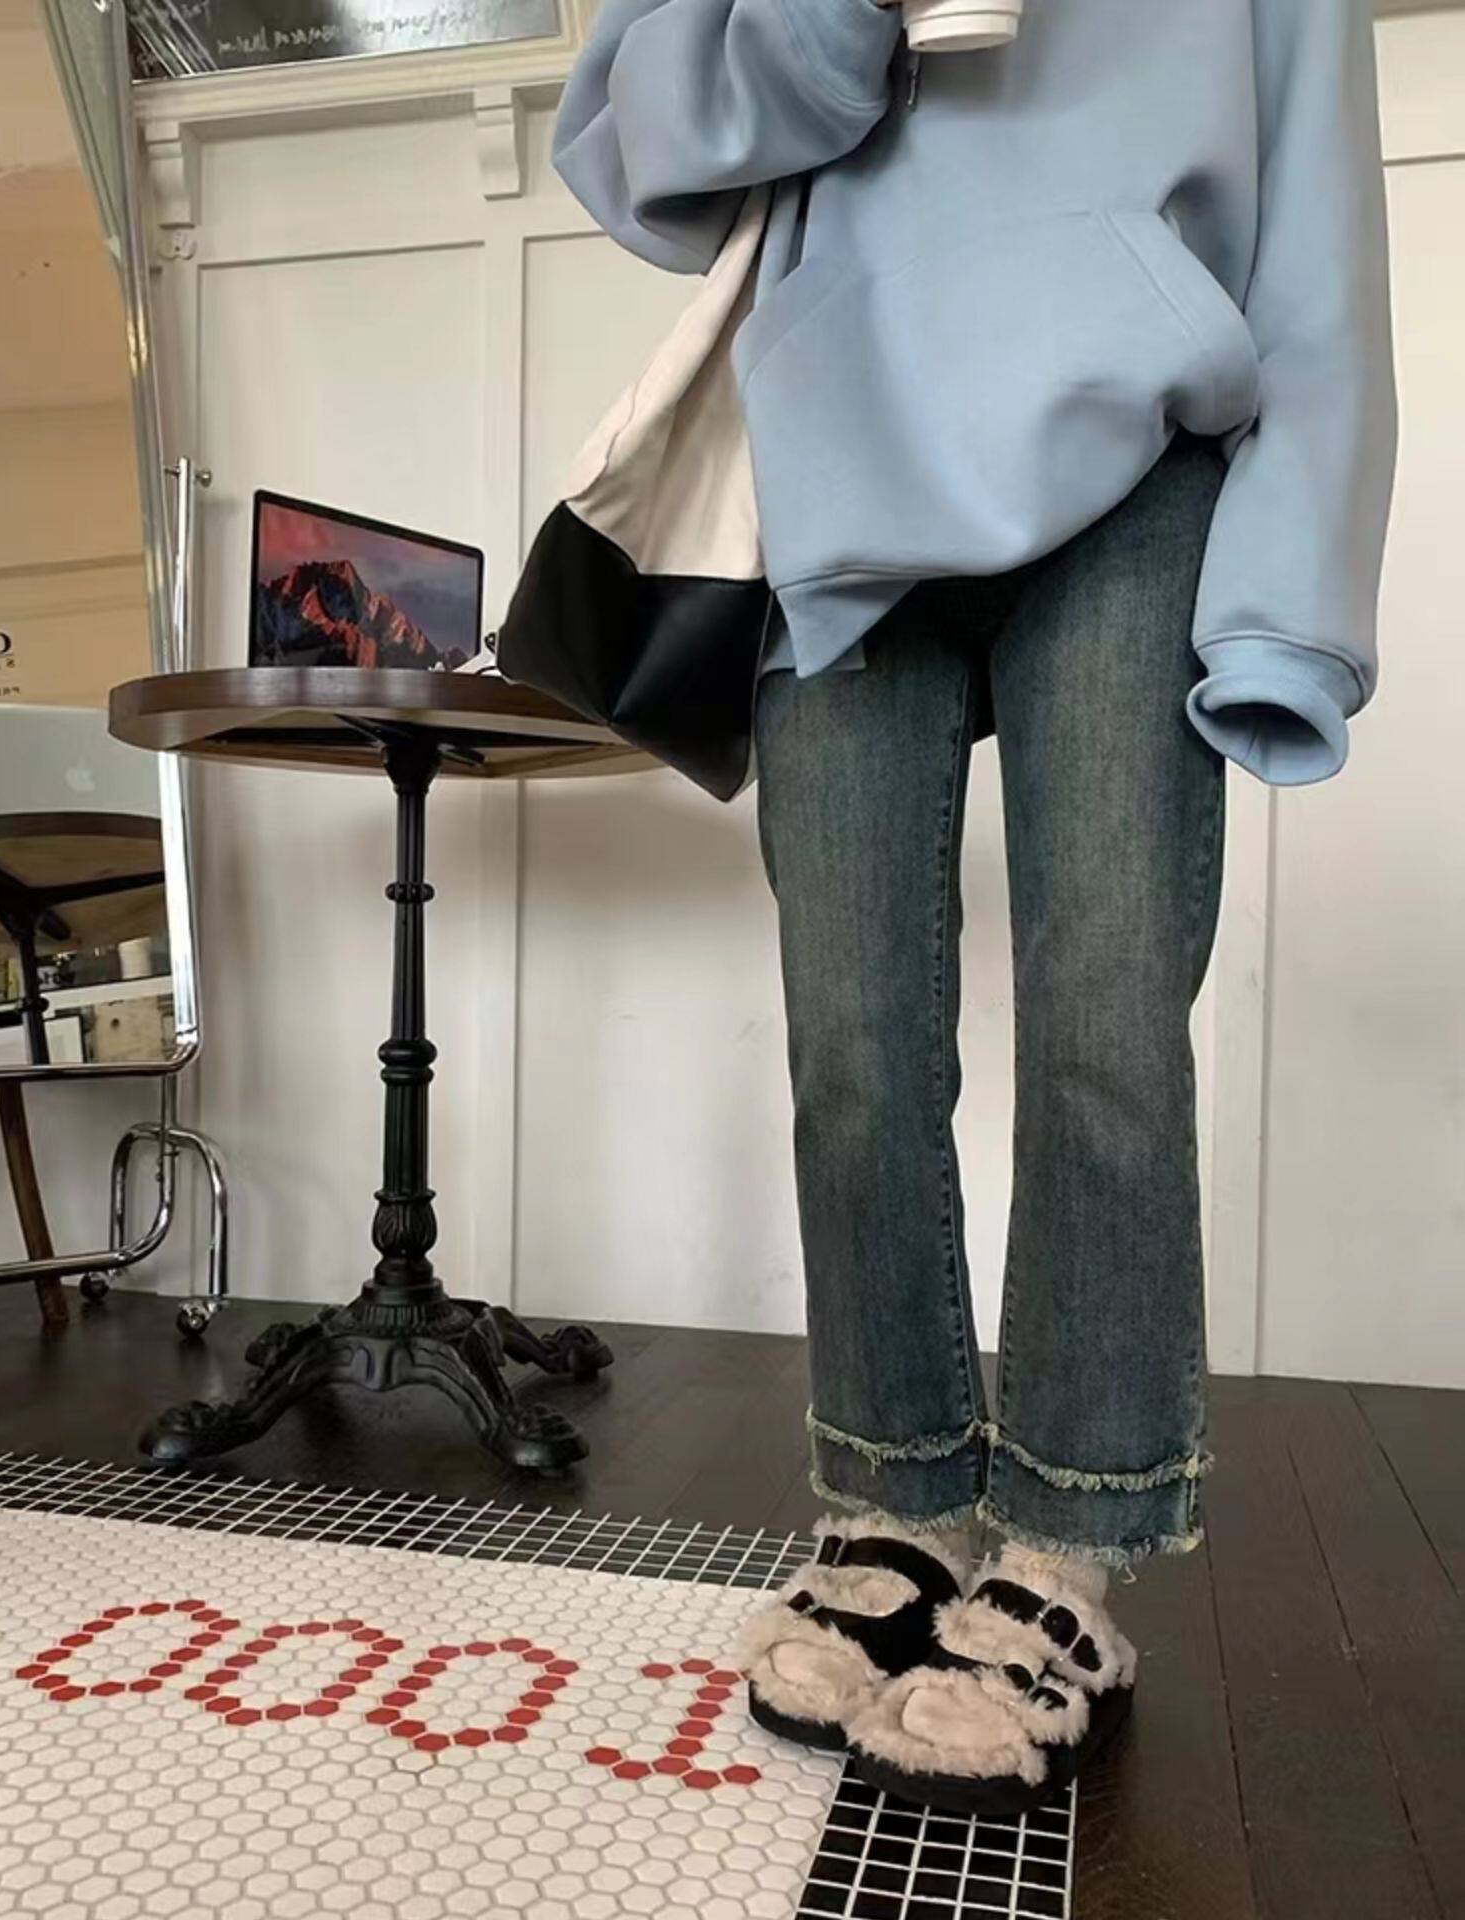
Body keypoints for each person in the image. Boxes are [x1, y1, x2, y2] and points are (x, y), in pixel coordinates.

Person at [553, 0, 1397, 1813]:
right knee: (852, 1030)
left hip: (1144, 467)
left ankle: (1072, 1540)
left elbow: (1324, 238)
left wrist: (1294, 612)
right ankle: (897, 1500)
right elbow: (630, 145)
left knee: (1107, 1016)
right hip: (837, 460)